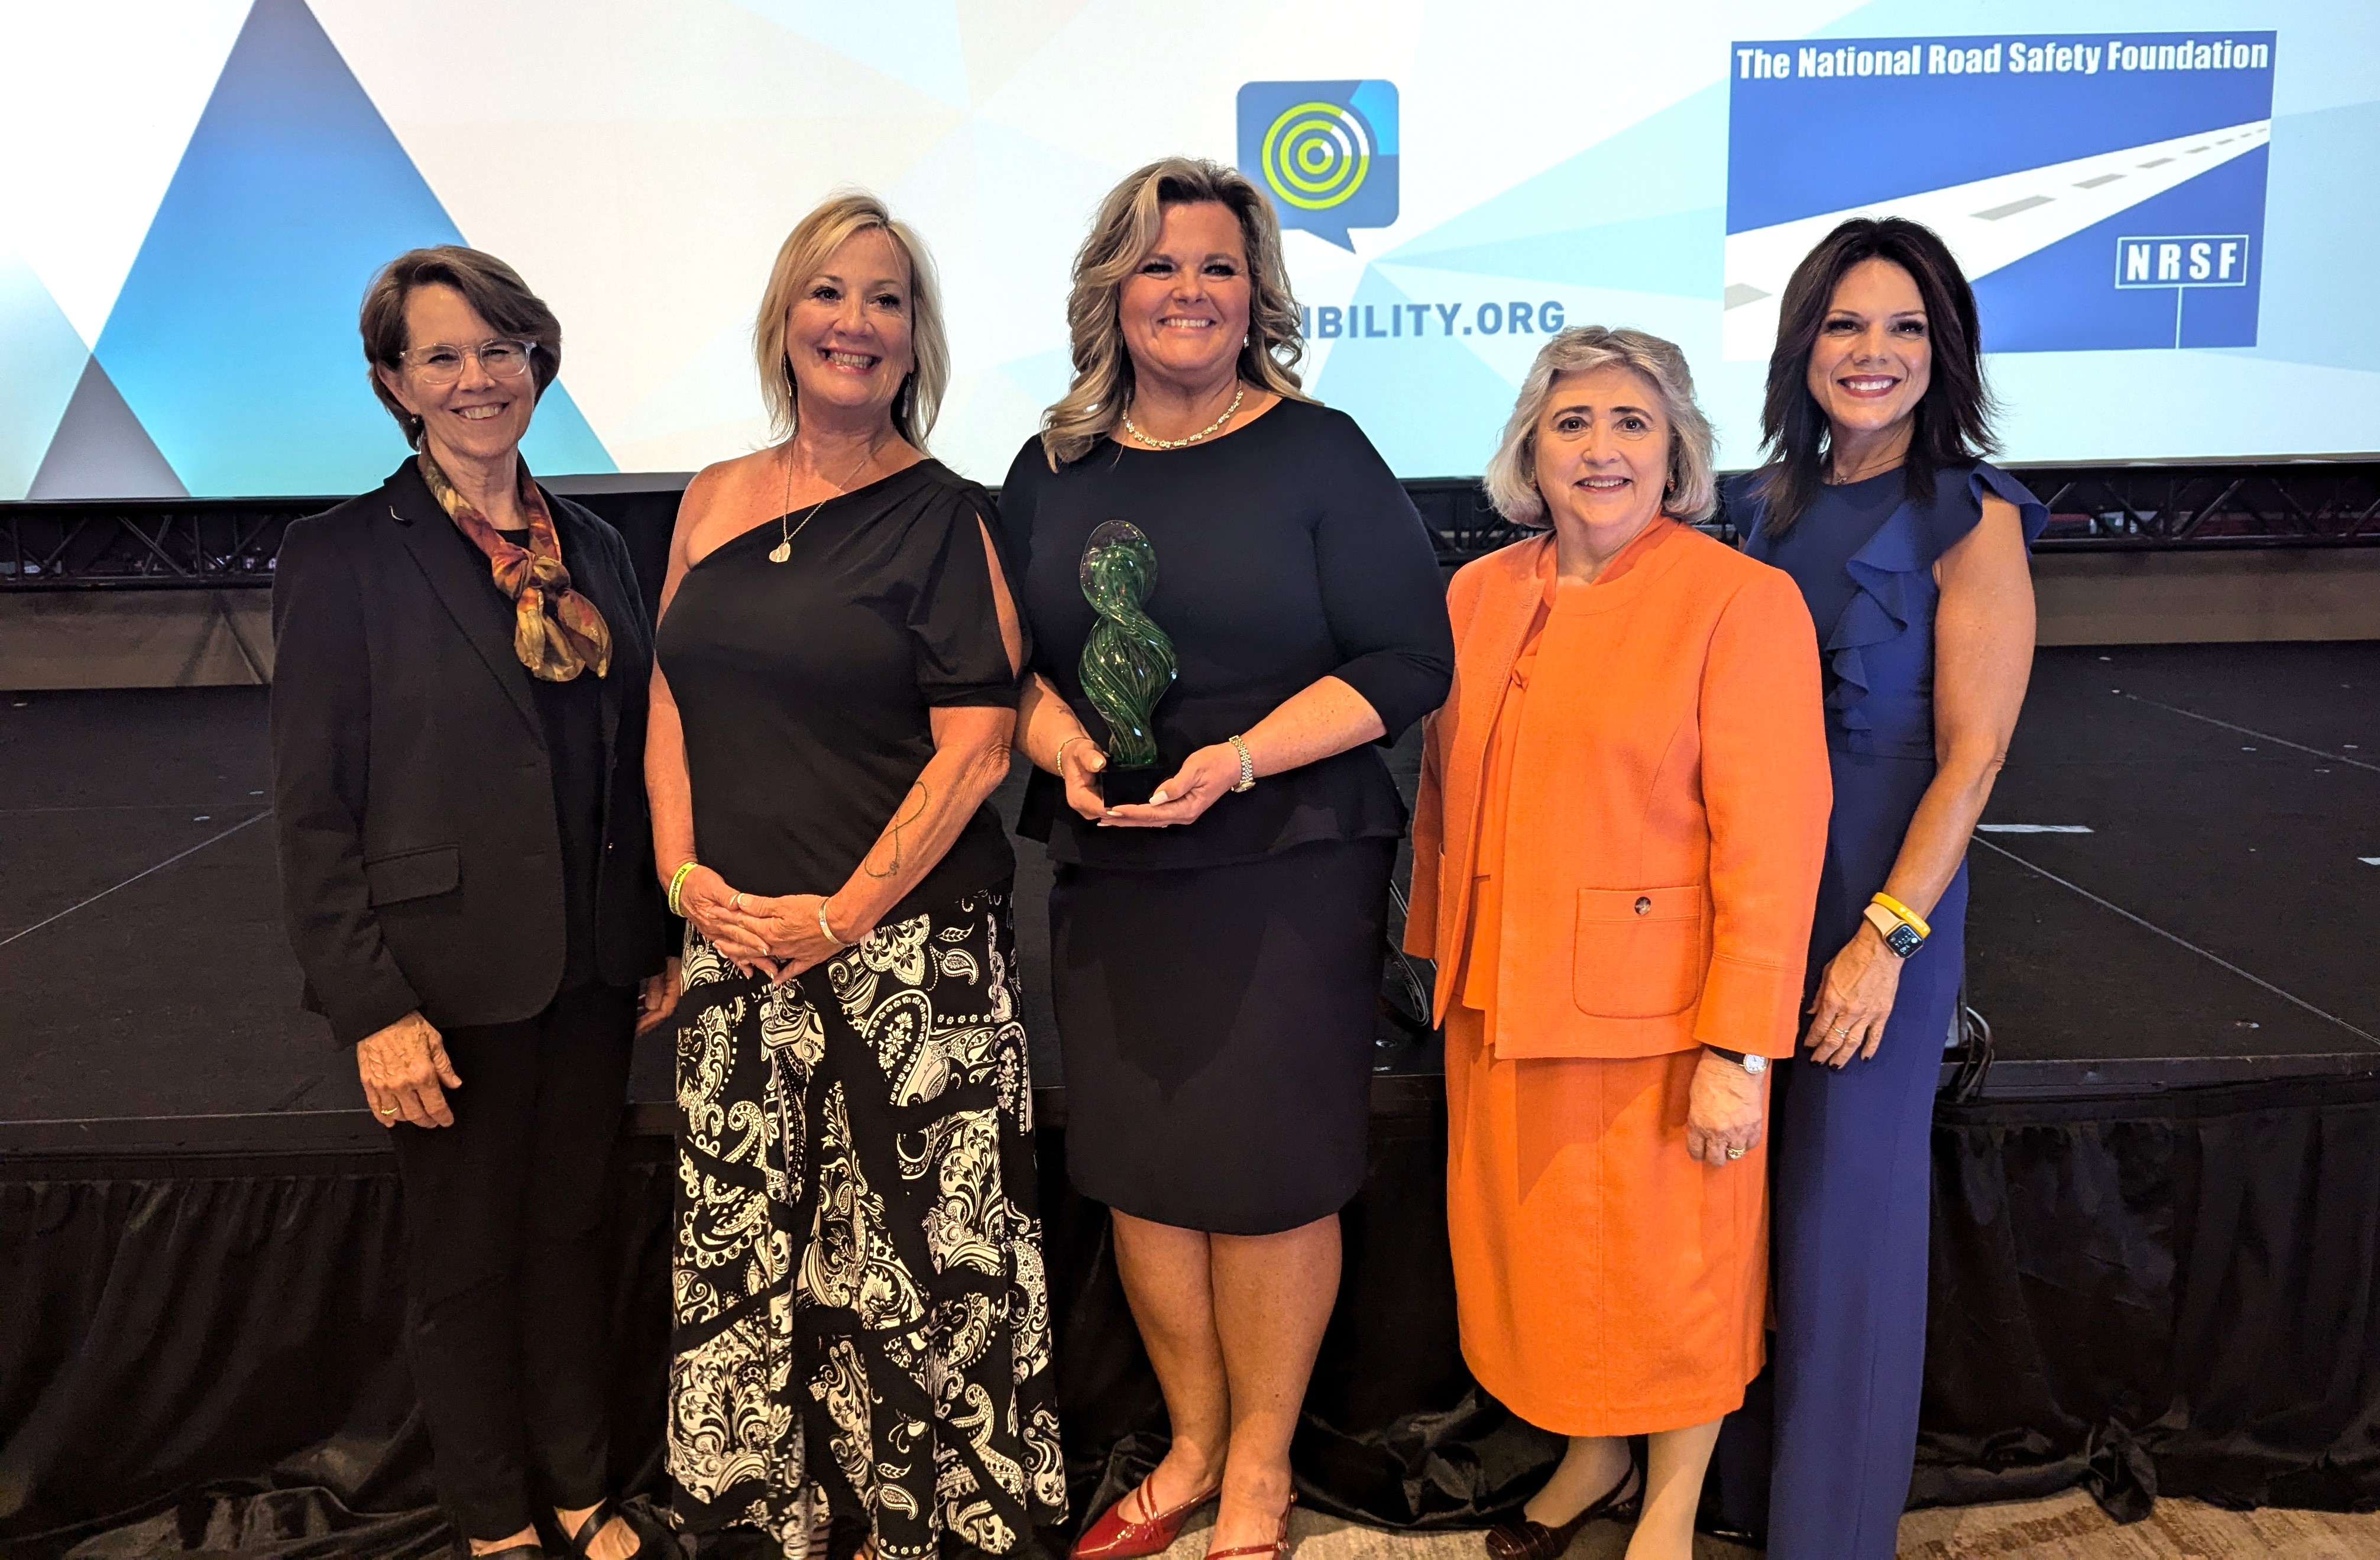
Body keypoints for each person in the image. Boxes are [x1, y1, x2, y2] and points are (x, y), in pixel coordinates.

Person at [998, 157, 1454, 1560]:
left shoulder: (1321, 451)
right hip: (1115, 867)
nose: (1185, 291)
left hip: (1286, 864)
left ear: (1254, 290)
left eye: (1213, 265)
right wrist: (1056, 736)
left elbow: (1410, 657)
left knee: (1263, 1176)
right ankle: (1190, 1446)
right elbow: (1000, 665)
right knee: (1142, 1169)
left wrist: (1242, 756)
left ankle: (1259, 1468)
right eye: (1156, 265)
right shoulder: (1051, 465)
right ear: (1110, 293)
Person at [646, 192, 1064, 1560]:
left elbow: (978, 745)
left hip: (904, 964)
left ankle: (933, 1528)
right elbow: (669, 701)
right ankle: (764, 1519)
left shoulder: (955, 519)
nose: (856, 322)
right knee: (743, 1257)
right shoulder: (710, 496)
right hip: (736, 947)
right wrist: (680, 872)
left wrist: (841, 915)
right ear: (786, 317)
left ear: (916, 338)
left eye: (887, 299)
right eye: (830, 293)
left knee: (921, 1269)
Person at [271, 246, 676, 1560]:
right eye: (441, 355)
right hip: (443, 977)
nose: (477, 377)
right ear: (395, 382)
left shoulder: (602, 547)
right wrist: (369, 1004)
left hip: (595, 966)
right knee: (466, 1261)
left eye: (499, 349)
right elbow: (316, 809)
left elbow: (631, 761)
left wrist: (654, 932)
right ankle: (494, 1514)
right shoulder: (341, 557)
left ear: (537, 362)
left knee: (571, 1236)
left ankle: (579, 1482)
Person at [1404, 326, 1829, 1560]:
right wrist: (1439, 961)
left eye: (1632, 423)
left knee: (1669, 1269)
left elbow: (1778, 838)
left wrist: (1738, 1047)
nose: (1601, 448)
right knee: (1544, 1259)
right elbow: (1439, 795)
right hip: (1500, 995)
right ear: (1530, 449)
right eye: (1573, 421)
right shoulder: (1475, 595)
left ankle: (1672, 1504)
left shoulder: (1742, 601)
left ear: (1680, 451)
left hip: (1665, 1018)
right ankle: (1590, 1456)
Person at [1725, 218, 2047, 1560]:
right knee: (1734, 1206)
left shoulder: (1973, 518)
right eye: (1847, 325)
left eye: (1905, 327)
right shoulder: (1748, 507)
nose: (1874, 353)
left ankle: (1827, 1533)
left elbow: (1973, 761)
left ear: (1943, 351)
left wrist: (1884, 944)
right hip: (1746, 891)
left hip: (1881, 907)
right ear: (1804, 345)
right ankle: (1734, 1500)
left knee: (1845, 1224)